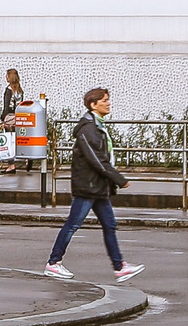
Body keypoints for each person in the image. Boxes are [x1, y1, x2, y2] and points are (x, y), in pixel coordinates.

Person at [46, 86, 142, 281]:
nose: (108, 103)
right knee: (73, 224)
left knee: (109, 225)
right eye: (104, 100)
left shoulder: (97, 125)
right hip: (88, 186)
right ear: (93, 104)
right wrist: (119, 179)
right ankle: (53, 263)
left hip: (97, 186)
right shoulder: (88, 129)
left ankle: (119, 266)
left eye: (108, 99)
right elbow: (96, 159)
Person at [0, 68, 27, 172]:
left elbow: (6, 106)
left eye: (7, 76)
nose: (6, 77)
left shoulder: (8, 90)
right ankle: (26, 157)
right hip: (18, 117)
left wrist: (3, 120)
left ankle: (11, 165)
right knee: (18, 140)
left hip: (9, 117)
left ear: (10, 77)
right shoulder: (20, 90)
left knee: (8, 141)